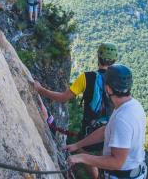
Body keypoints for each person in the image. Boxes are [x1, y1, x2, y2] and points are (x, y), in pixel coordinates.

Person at [33, 43, 119, 178]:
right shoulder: (118, 80)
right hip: (112, 129)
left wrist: (40, 90)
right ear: (114, 61)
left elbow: (63, 98)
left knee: (82, 149)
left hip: (89, 130)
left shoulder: (86, 77)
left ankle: (96, 176)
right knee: (105, 157)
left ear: (98, 57)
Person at [66, 64, 147, 179]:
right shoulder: (133, 105)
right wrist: (77, 145)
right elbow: (106, 130)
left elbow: (117, 162)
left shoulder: (122, 119)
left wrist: (82, 158)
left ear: (108, 89)